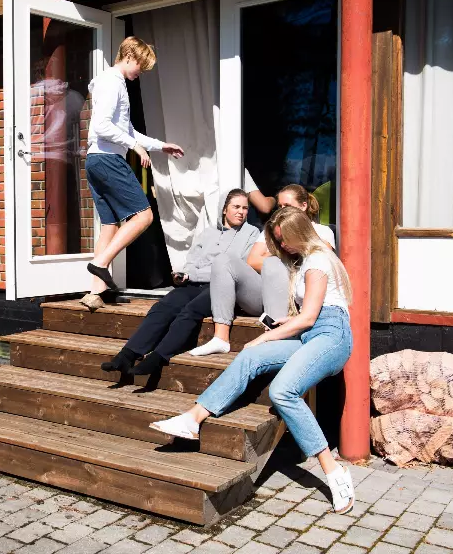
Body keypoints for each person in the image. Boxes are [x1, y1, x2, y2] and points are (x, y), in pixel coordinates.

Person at [150, 206, 355, 514]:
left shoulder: (318, 260)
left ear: (299, 233)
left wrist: (265, 336)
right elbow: (306, 316)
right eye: (278, 240)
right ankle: (192, 419)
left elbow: (312, 317)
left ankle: (334, 472)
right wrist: (283, 323)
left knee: (282, 391)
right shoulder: (307, 260)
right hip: (311, 334)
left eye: (283, 239)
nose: (281, 245)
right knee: (251, 356)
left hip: (331, 337)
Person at [100, 189, 260, 378]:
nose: (241, 212)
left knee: (190, 310)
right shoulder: (208, 233)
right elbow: (192, 260)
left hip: (222, 288)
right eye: (236, 207)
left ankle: (158, 357)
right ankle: (128, 354)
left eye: (245, 208)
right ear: (224, 209)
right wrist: (184, 274)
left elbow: (238, 266)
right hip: (194, 283)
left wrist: (195, 274)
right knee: (163, 307)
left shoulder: (251, 233)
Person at [81, 37, 184, 311]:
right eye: (142, 66)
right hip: (108, 159)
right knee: (144, 216)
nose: (142, 73)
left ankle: (95, 293)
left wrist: (160, 145)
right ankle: (100, 264)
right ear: (130, 57)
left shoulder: (112, 82)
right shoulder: (112, 82)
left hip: (96, 160)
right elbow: (102, 126)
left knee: (110, 225)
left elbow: (127, 131)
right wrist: (134, 147)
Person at [190, 183, 336, 356]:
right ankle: (221, 338)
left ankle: (276, 338)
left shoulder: (321, 231)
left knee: (273, 262)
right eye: (280, 206)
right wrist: (288, 255)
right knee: (224, 260)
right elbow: (253, 260)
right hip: (269, 291)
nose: (282, 209)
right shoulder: (274, 228)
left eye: (287, 205)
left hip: (300, 296)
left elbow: (321, 258)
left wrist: (277, 255)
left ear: (303, 206)